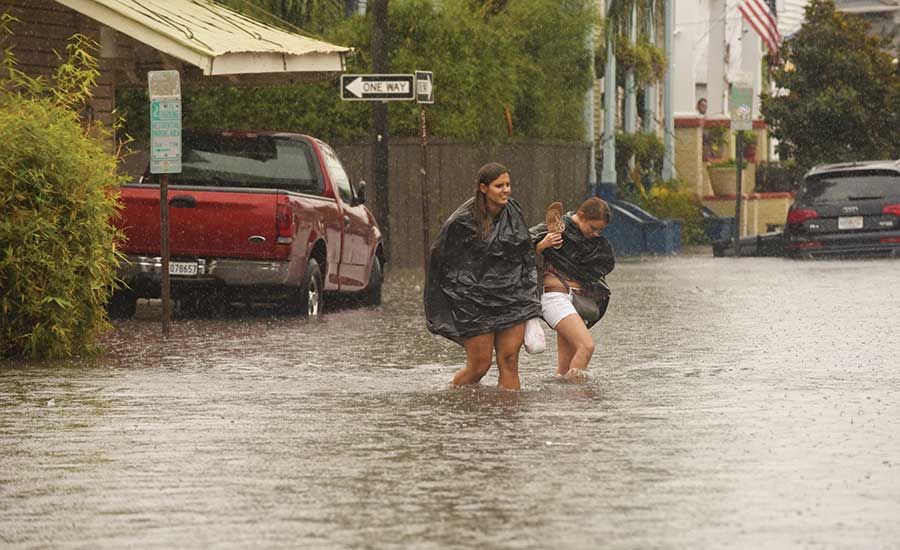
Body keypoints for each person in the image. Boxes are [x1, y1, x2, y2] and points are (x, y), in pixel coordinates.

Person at [424, 162, 542, 390]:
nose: (506, 190)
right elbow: (442, 260)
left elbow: (520, 249)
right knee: (479, 366)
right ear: (483, 188)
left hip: (511, 297)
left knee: (509, 361)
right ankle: (456, 400)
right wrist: (461, 294)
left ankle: (508, 419)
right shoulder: (462, 221)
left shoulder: (513, 211)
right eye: (499, 186)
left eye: (508, 184)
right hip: (474, 301)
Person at [532, 197, 615, 380]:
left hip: (576, 301)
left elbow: (601, 266)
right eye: (593, 228)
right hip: (555, 298)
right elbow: (517, 250)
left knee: (564, 369)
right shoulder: (554, 229)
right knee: (586, 347)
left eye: (600, 230)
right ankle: (578, 402)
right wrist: (542, 245)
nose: (596, 234)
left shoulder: (590, 243)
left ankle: (564, 405)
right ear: (582, 215)